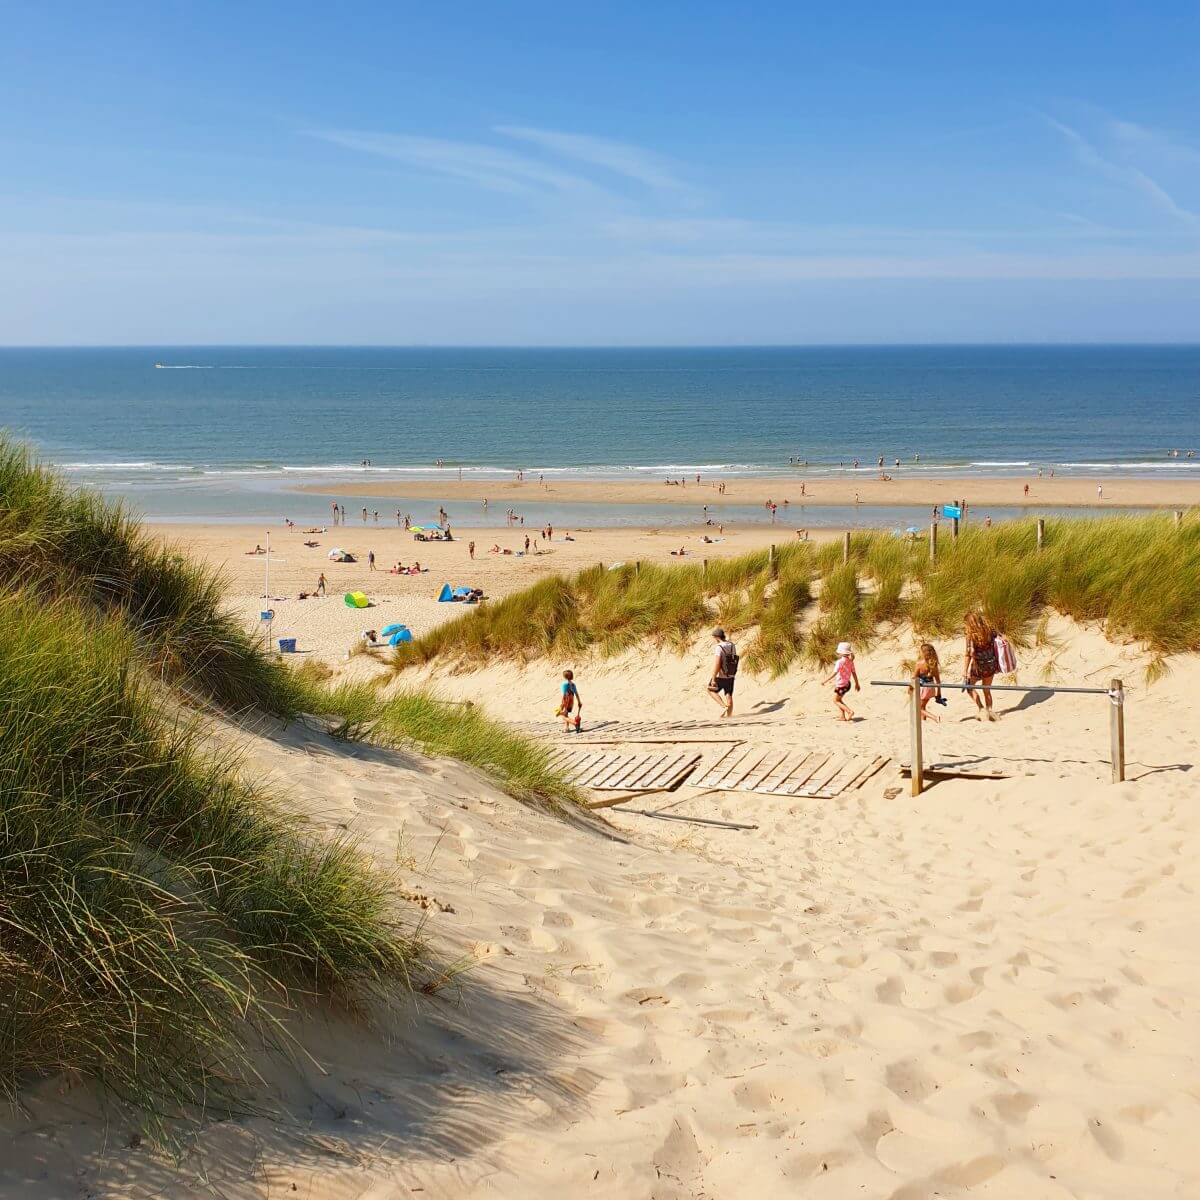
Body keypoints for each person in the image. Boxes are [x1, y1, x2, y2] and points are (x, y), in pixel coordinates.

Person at [964, 610, 999, 721]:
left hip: (979, 666)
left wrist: (965, 671)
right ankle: (990, 712)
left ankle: (981, 708)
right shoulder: (990, 630)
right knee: (986, 690)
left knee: (969, 687)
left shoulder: (970, 636)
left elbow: (969, 653)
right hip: (991, 664)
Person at [823, 641, 860, 721]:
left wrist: (825, 681)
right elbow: (854, 673)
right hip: (847, 684)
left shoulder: (840, 662)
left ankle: (849, 711)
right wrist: (857, 683)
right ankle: (842, 717)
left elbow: (834, 673)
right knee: (839, 700)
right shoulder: (850, 662)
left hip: (841, 685)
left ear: (840, 652)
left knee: (835, 700)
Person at [707, 628, 738, 718]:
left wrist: (713, 678)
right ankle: (729, 716)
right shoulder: (732, 645)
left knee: (710, 689)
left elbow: (717, 663)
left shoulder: (719, 647)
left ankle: (723, 707)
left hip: (722, 675)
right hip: (731, 674)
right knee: (728, 695)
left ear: (717, 637)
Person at [912, 642, 943, 722]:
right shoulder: (934, 664)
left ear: (923, 653)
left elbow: (914, 677)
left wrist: (910, 688)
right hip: (931, 687)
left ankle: (935, 718)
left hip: (923, 688)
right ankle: (923, 721)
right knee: (923, 706)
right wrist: (938, 693)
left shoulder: (919, 664)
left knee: (918, 708)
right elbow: (938, 680)